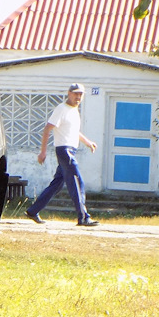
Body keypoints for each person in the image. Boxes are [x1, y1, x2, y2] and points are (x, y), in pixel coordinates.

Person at [25, 83, 99, 226]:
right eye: (75, 93)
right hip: (64, 151)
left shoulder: (74, 111)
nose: (78, 97)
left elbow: (73, 132)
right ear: (69, 93)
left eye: (80, 94)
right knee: (77, 181)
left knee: (57, 184)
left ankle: (33, 211)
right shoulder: (61, 109)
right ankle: (83, 217)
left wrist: (88, 142)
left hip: (71, 149)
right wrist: (43, 151)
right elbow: (47, 129)